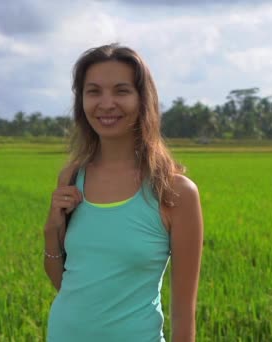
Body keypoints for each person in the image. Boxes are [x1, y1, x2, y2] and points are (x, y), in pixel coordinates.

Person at [43, 43, 204, 342]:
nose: (106, 103)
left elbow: (183, 314)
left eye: (121, 91)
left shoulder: (173, 192)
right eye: (93, 91)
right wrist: (51, 228)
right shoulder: (72, 177)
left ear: (143, 99)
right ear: (82, 102)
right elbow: (66, 284)